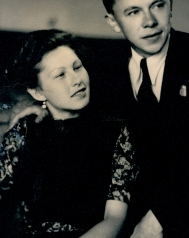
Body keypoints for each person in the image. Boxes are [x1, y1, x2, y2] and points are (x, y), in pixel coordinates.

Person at [0, 29, 138, 237]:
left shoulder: (116, 133)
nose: (76, 80)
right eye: (60, 74)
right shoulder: (23, 132)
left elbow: (114, 219)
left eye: (77, 67)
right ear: (37, 91)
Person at [99, 0, 189, 237]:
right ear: (113, 22)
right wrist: (37, 108)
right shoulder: (101, 73)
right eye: (133, 12)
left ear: (170, 4)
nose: (149, 21)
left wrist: (160, 218)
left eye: (157, 5)